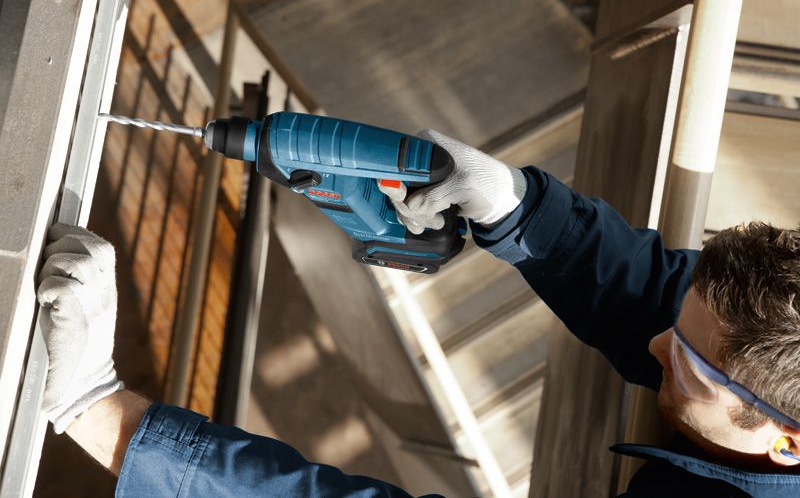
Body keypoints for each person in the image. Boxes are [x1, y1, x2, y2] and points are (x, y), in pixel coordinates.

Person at [37, 129, 800, 496]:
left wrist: (108, 417)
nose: (659, 342)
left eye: (691, 365)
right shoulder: (769, 351)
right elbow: (654, 295)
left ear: (787, 443)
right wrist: (515, 204)